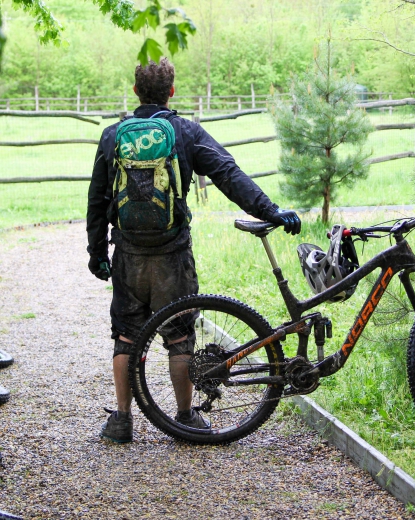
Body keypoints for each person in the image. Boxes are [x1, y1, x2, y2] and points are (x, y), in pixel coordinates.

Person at [86, 58, 301, 443]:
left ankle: (121, 420)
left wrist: (96, 251)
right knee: (180, 335)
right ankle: (185, 417)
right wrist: (271, 211)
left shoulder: (113, 135)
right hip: (173, 255)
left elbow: (97, 198)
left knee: (126, 336)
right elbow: (228, 174)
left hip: (129, 254)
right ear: (172, 91)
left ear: (135, 91)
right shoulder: (184, 131)